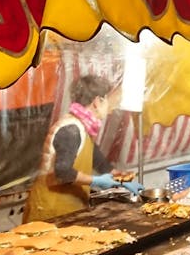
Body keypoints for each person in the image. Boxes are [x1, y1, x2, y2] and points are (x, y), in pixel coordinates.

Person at [23, 74, 143, 222]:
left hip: (69, 208)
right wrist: (97, 181)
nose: (111, 109)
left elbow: (96, 158)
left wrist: (119, 177)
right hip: (50, 210)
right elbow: (63, 172)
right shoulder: (70, 128)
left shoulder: (83, 127)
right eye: (109, 102)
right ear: (97, 102)